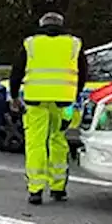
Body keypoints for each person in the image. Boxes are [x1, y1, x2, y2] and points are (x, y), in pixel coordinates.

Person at [8, 11, 88, 204]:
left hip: (35, 102)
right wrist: (75, 95)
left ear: (41, 24)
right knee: (59, 141)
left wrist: (14, 96)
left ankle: (35, 190)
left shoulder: (31, 44)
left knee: (36, 143)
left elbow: (17, 71)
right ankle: (58, 188)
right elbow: (83, 72)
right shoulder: (74, 44)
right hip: (65, 104)